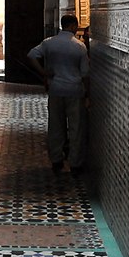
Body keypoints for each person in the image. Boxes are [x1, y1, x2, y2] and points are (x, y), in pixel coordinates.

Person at [27, 14, 90, 176]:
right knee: (76, 128)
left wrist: (44, 73)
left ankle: (56, 160)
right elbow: (85, 74)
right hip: (74, 90)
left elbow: (31, 55)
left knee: (56, 125)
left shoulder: (49, 43)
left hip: (55, 89)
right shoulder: (80, 46)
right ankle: (75, 164)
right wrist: (87, 94)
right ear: (74, 26)